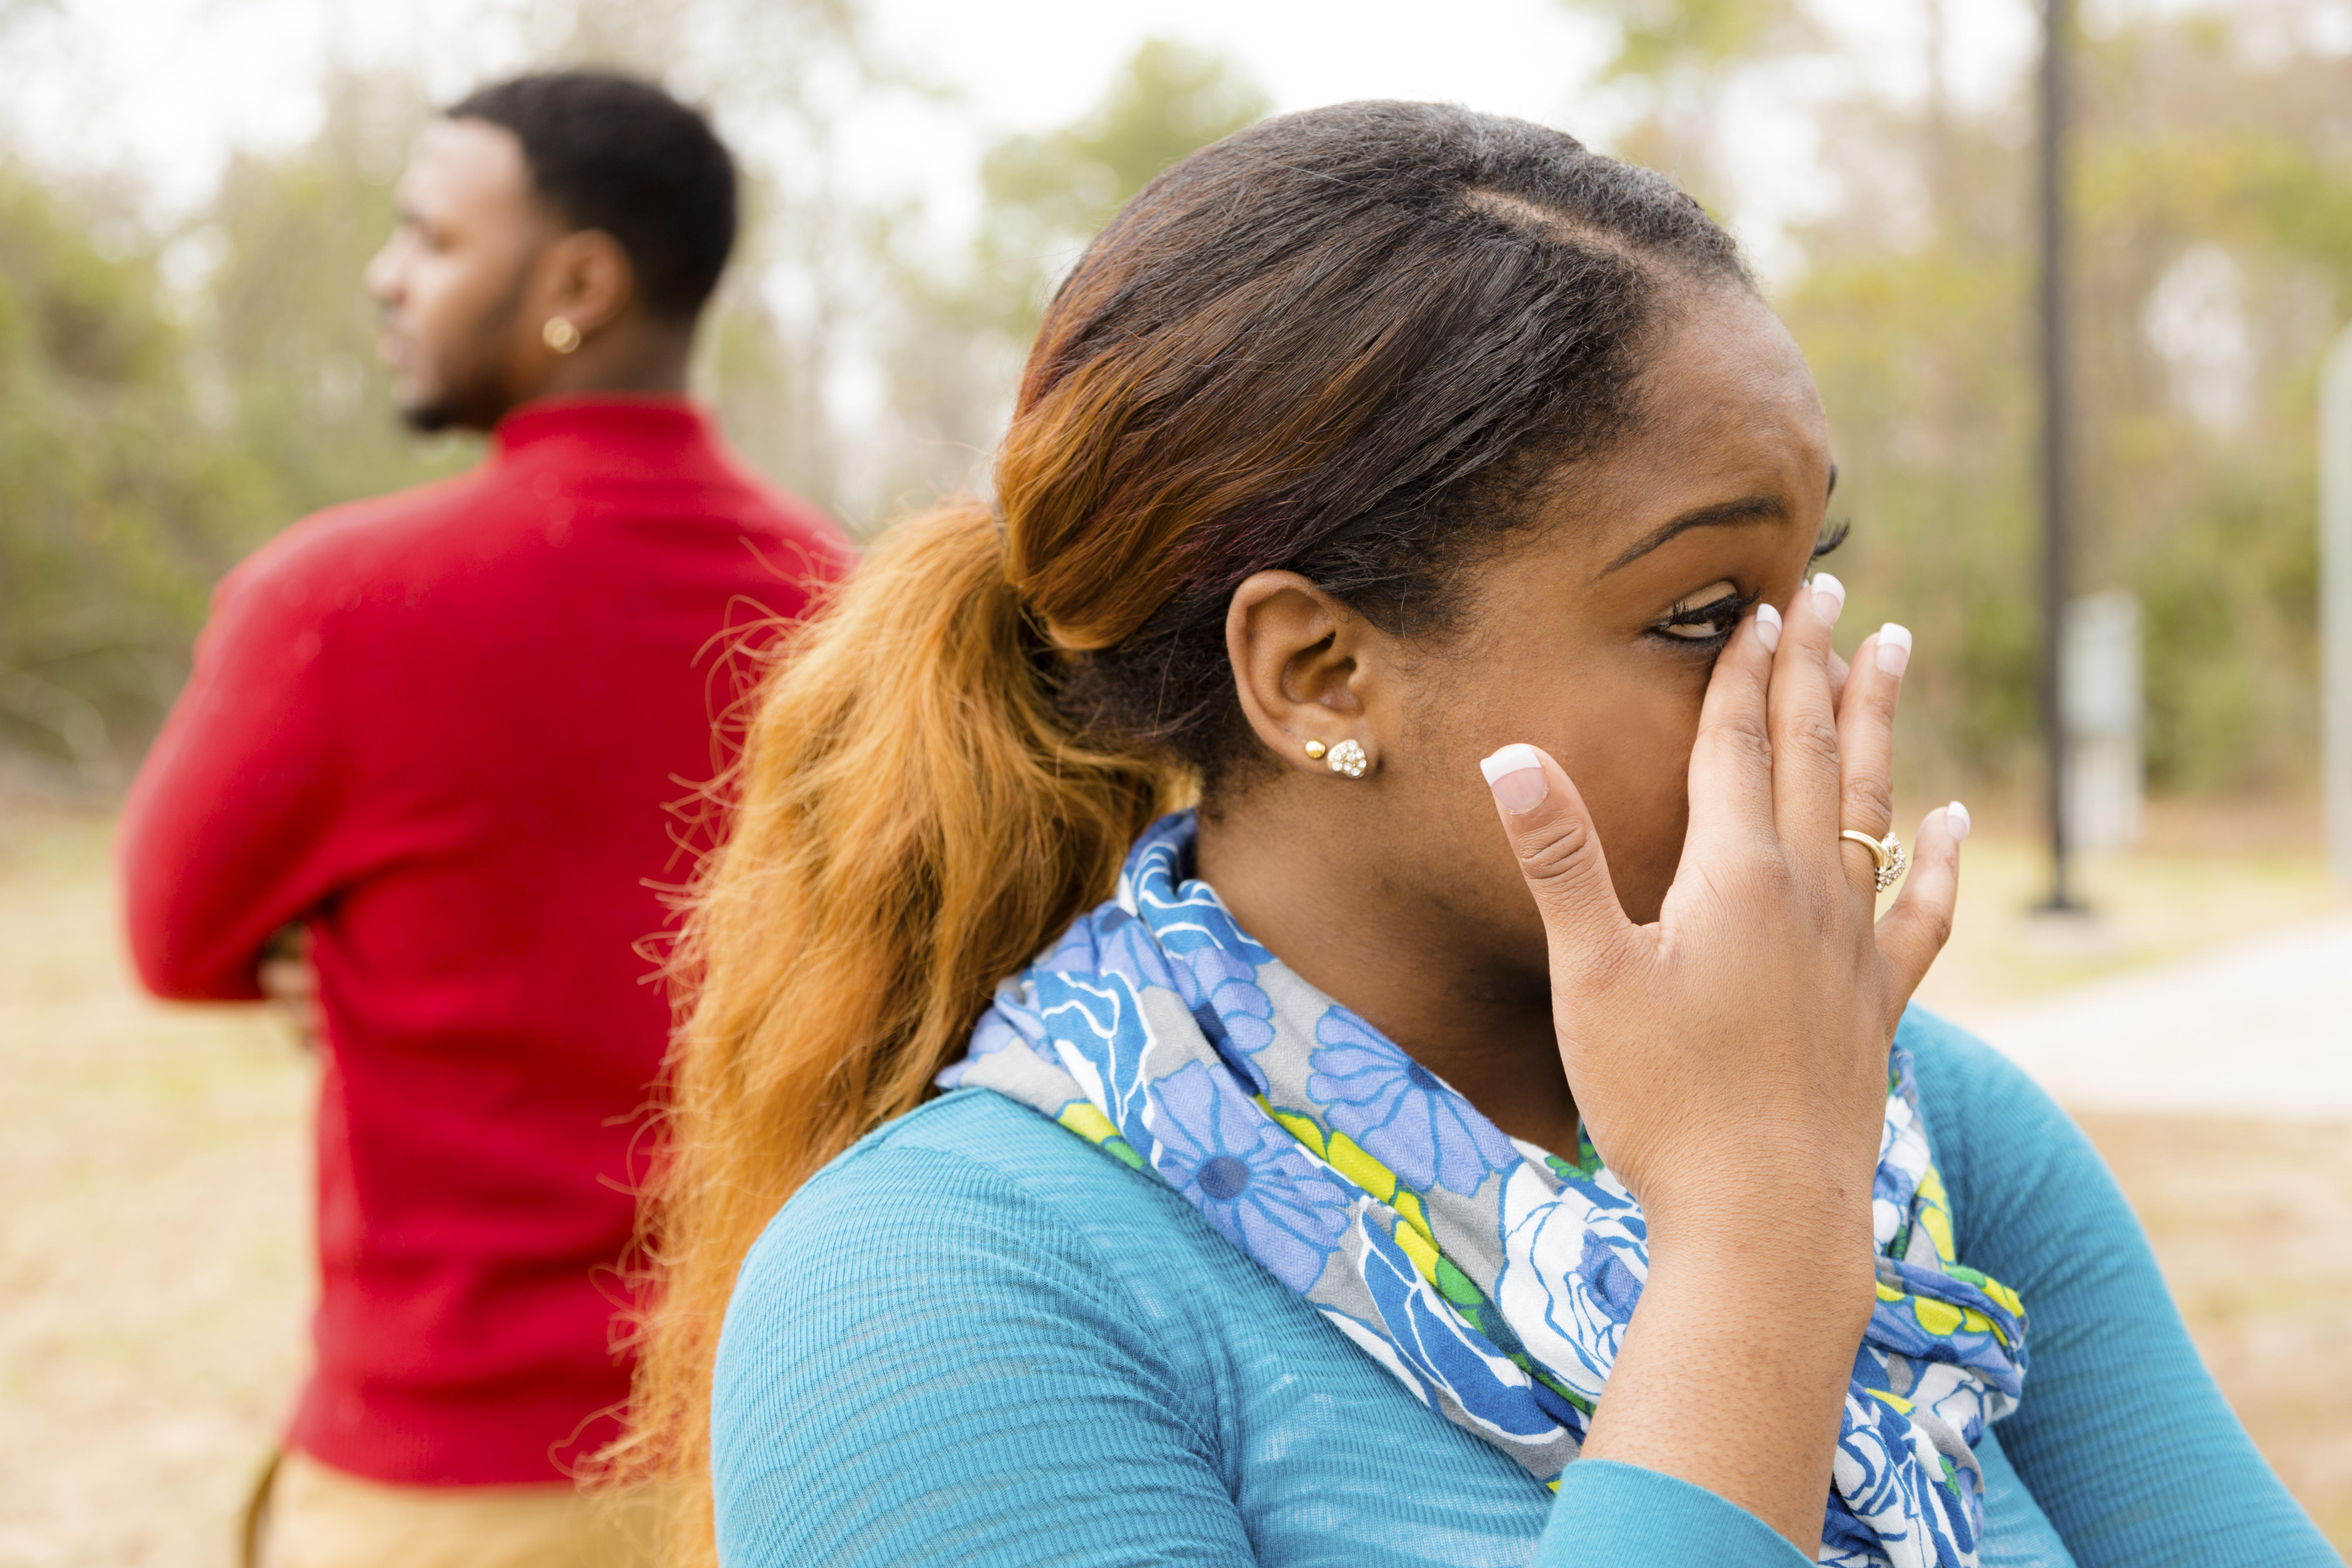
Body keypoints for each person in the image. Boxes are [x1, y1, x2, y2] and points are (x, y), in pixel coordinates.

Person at [624, 103, 2339, 1568]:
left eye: (1809, 585)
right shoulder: (942, 1289)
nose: (1799, 690)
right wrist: (1756, 1237)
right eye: (1699, 616)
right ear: (1319, 673)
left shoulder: (1919, 1117)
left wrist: (1798, 1167)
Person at [117, 70, 851, 1568]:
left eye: (434, 239)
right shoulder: (848, 609)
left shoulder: (336, 606)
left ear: (579, 283)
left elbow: (174, 940)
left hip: (446, 1485)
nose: (387, 277)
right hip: (775, 1463)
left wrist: (354, 960)